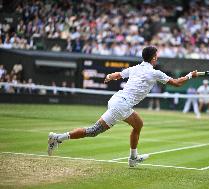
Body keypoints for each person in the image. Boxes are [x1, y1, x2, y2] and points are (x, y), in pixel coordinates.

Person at [47, 46, 199, 167]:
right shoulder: (155, 73)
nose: (157, 57)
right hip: (122, 105)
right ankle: (133, 159)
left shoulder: (135, 68)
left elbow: (117, 75)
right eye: (157, 55)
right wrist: (191, 76)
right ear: (153, 58)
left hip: (116, 100)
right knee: (137, 125)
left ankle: (57, 138)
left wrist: (108, 77)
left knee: (95, 131)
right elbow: (178, 83)